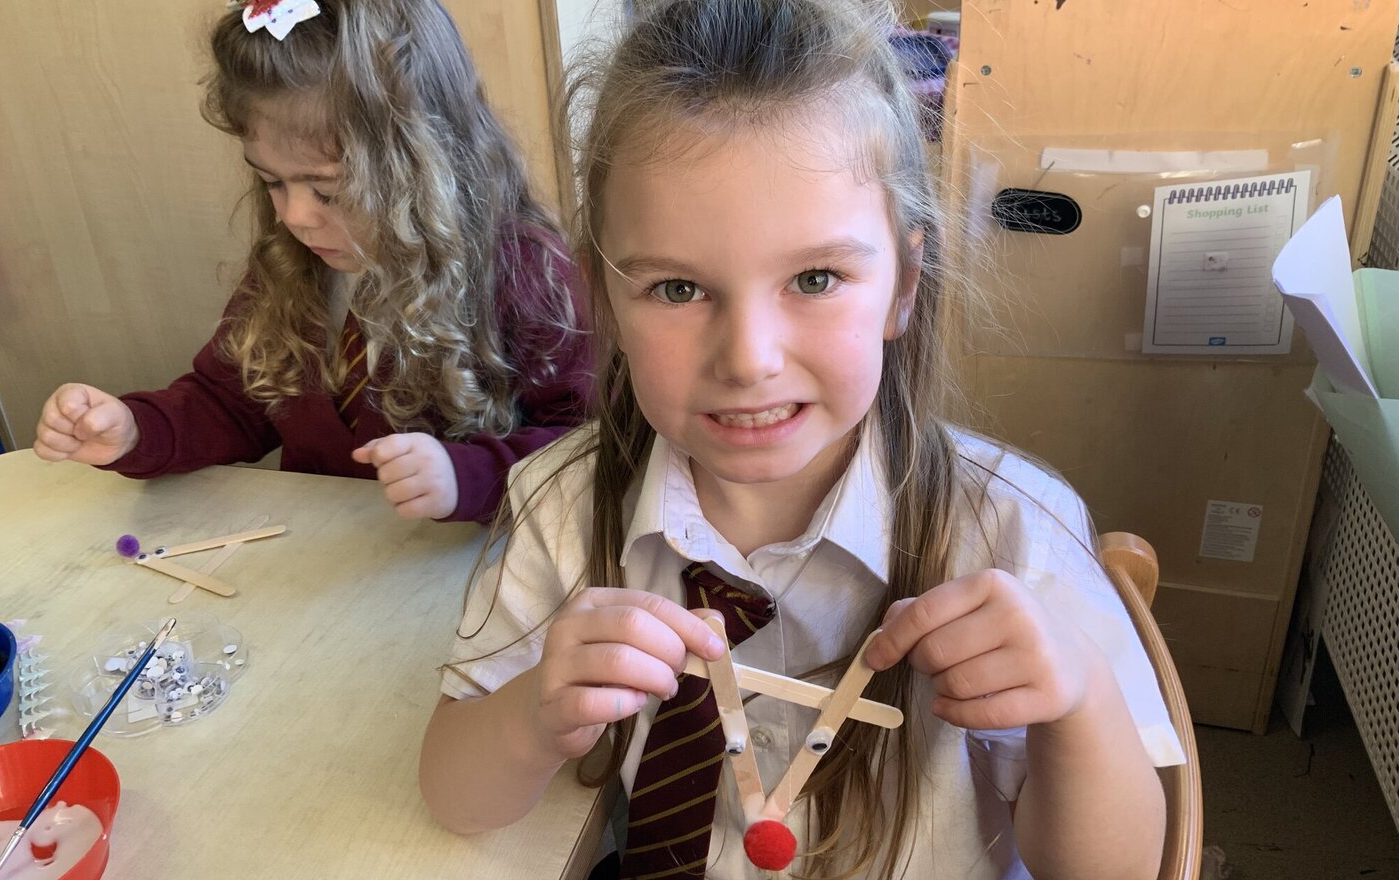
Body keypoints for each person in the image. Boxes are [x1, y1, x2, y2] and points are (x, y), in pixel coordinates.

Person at [421, 1, 1182, 877]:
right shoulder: (562, 511)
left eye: (815, 277)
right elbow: (454, 795)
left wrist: (1078, 702)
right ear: (603, 298)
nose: (749, 359)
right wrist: (528, 719)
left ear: (903, 284)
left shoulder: (1015, 538)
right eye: (676, 289)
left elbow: (1121, 870)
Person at [32, 0, 589, 523]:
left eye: (329, 190)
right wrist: (134, 429)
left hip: (459, 583)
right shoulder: (290, 266)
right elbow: (231, 402)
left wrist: (469, 477)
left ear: (429, 163)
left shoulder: (525, 272)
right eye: (272, 181)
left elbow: (590, 447)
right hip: (322, 571)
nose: (296, 217)